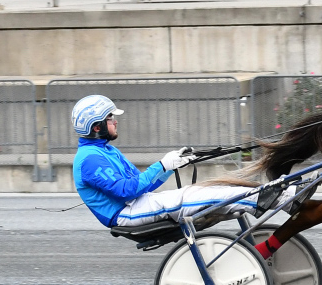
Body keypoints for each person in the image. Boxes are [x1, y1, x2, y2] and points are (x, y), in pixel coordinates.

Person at [71, 94, 274, 229]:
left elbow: (142, 184)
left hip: (137, 204)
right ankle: (264, 198)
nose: (115, 121)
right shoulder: (89, 160)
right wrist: (162, 165)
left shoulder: (106, 150)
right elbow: (127, 191)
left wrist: (172, 166)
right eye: (110, 118)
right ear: (96, 127)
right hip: (124, 214)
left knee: (199, 193)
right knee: (191, 195)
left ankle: (261, 198)